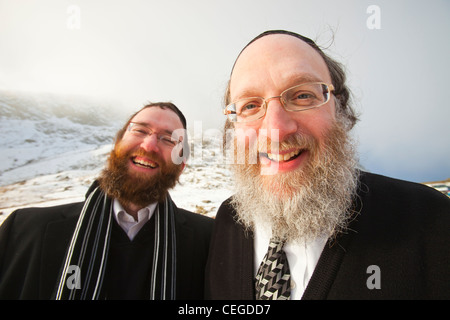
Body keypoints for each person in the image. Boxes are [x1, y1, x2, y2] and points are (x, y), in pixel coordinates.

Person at [205, 30, 450, 300]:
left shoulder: (432, 224)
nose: (276, 129)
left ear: (341, 110)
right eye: (250, 105)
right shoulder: (227, 220)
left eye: (302, 96)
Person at [0, 102, 213, 300]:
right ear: (116, 144)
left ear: (181, 166)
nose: (149, 146)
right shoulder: (23, 230)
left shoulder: (209, 242)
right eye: (139, 130)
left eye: (168, 139)